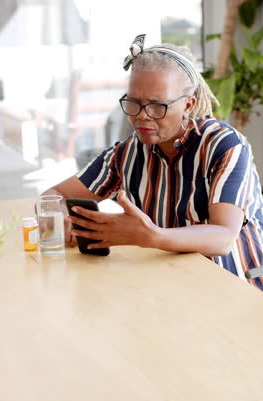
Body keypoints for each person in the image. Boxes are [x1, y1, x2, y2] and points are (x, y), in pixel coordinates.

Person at [44, 34, 263, 290]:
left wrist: (149, 236)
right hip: (168, 281)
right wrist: (60, 220)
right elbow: (55, 194)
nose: (141, 117)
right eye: (134, 103)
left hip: (235, 286)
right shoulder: (128, 152)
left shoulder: (224, 145)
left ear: (188, 105)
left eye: (157, 106)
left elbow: (223, 237)